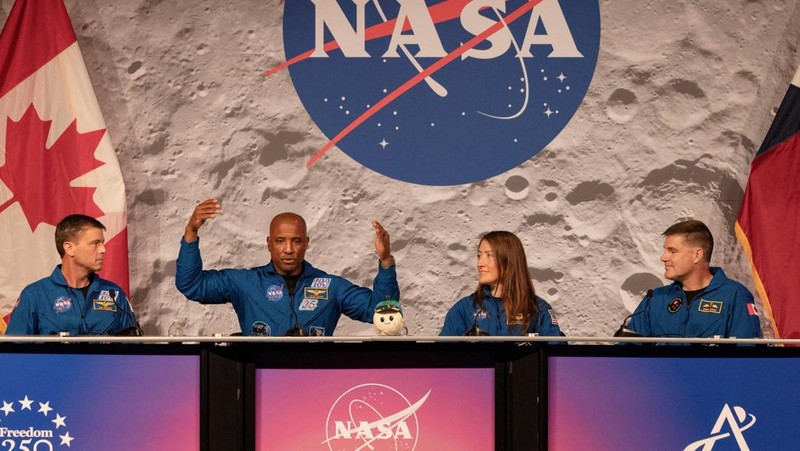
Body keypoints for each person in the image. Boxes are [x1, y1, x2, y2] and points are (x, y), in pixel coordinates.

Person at [175, 198, 400, 336]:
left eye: (296, 241)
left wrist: (386, 261)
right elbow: (191, 285)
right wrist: (191, 233)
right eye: (280, 241)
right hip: (260, 383)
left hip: (316, 383)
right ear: (269, 244)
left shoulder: (331, 287)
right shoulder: (245, 283)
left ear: (306, 243)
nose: (289, 249)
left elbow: (381, 312)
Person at [6, 215, 139, 335]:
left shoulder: (114, 294)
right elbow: (13, 354)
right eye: (95, 243)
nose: (103, 249)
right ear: (69, 248)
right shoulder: (35, 295)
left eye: (102, 243)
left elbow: (134, 352)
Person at [626, 220, 761, 338]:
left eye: (672, 251)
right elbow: (627, 354)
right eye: (665, 250)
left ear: (697, 255)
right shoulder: (655, 298)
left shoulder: (735, 296)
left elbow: (746, 357)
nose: (663, 257)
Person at [440, 231, 562, 336]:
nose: (480, 264)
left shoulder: (537, 308)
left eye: (489, 255)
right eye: (479, 256)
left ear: (509, 260)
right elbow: (442, 357)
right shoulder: (463, 309)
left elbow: (557, 356)